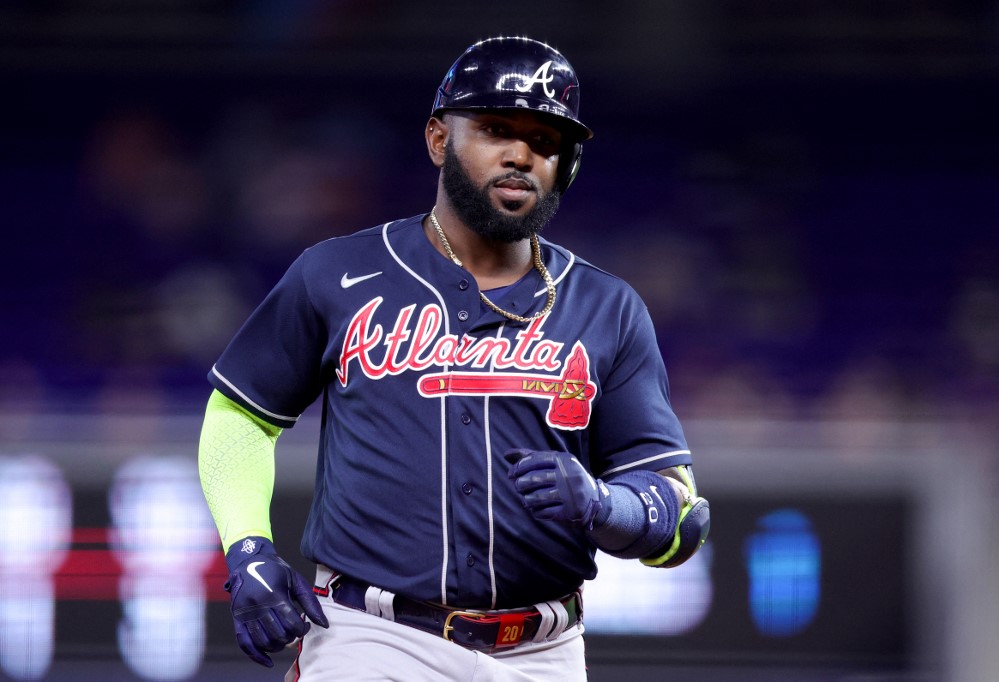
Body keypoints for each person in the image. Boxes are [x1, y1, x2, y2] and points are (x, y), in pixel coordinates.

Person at [198, 35, 710, 682]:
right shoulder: (337, 274)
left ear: (568, 166)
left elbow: (682, 514)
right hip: (372, 639)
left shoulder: (607, 308)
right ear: (439, 140)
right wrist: (247, 549)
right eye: (497, 128)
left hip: (543, 652)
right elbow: (242, 413)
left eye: (547, 141)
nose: (521, 153)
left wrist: (607, 506)